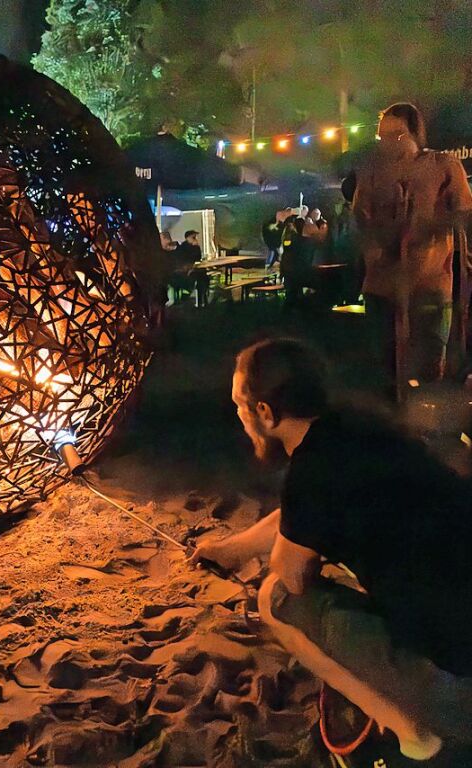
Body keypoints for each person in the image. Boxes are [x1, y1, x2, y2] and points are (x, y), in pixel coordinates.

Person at [192, 338, 472, 761]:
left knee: (277, 600)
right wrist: (233, 549)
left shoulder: (313, 470)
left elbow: (292, 573)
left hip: (460, 691)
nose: (239, 417)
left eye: (239, 405)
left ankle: (415, 738)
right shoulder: (359, 429)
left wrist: (306, 559)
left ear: (265, 413)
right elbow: (305, 513)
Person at [352, 102, 472, 385]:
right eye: (383, 137)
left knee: (428, 371)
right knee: (384, 371)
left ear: (415, 134)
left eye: (398, 134)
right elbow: (361, 220)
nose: (389, 143)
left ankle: (426, 423)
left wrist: (429, 228)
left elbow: (464, 213)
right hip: (382, 288)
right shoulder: (372, 174)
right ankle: (391, 424)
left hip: (429, 286)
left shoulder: (443, 165)